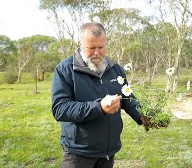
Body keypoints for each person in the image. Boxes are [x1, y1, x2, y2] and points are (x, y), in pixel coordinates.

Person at [51, 22, 146, 168]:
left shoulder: (115, 69)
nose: (97, 53)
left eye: (101, 47)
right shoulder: (65, 69)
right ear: (80, 44)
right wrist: (98, 107)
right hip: (78, 153)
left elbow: (127, 98)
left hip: (107, 152)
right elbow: (60, 109)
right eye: (92, 48)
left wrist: (143, 115)